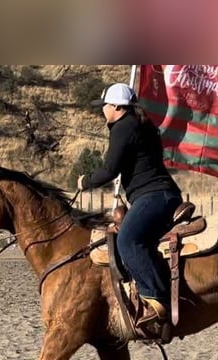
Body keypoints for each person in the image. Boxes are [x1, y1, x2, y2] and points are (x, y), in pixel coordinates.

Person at [77, 83, 183, 333]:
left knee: (128, 240)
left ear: (116, 107)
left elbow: (109, 169)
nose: (102, 110)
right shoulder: (140, 125)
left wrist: (86, 181)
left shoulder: (124, 127)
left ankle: (156, 300)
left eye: (104, 106)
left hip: (154, 196)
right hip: (157, 195)